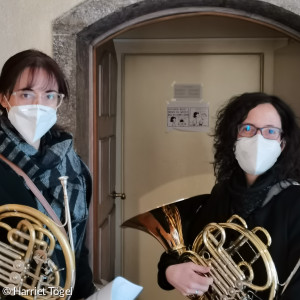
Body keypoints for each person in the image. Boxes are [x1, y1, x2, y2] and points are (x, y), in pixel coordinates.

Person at [157, 92, 300, 299]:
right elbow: (182, 251)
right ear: (234, 138)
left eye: (270, 131)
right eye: (248, 129)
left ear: (282, 143)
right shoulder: (222, 193)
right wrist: (171, 271)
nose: (258, 139)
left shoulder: (295, 201)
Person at [0, 49, 95, 299]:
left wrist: (86, 292)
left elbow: (76, 242)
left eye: (49, 95)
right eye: (26, 94)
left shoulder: (73, 164)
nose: (38, 105)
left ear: (58, 101)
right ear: (3, 98)